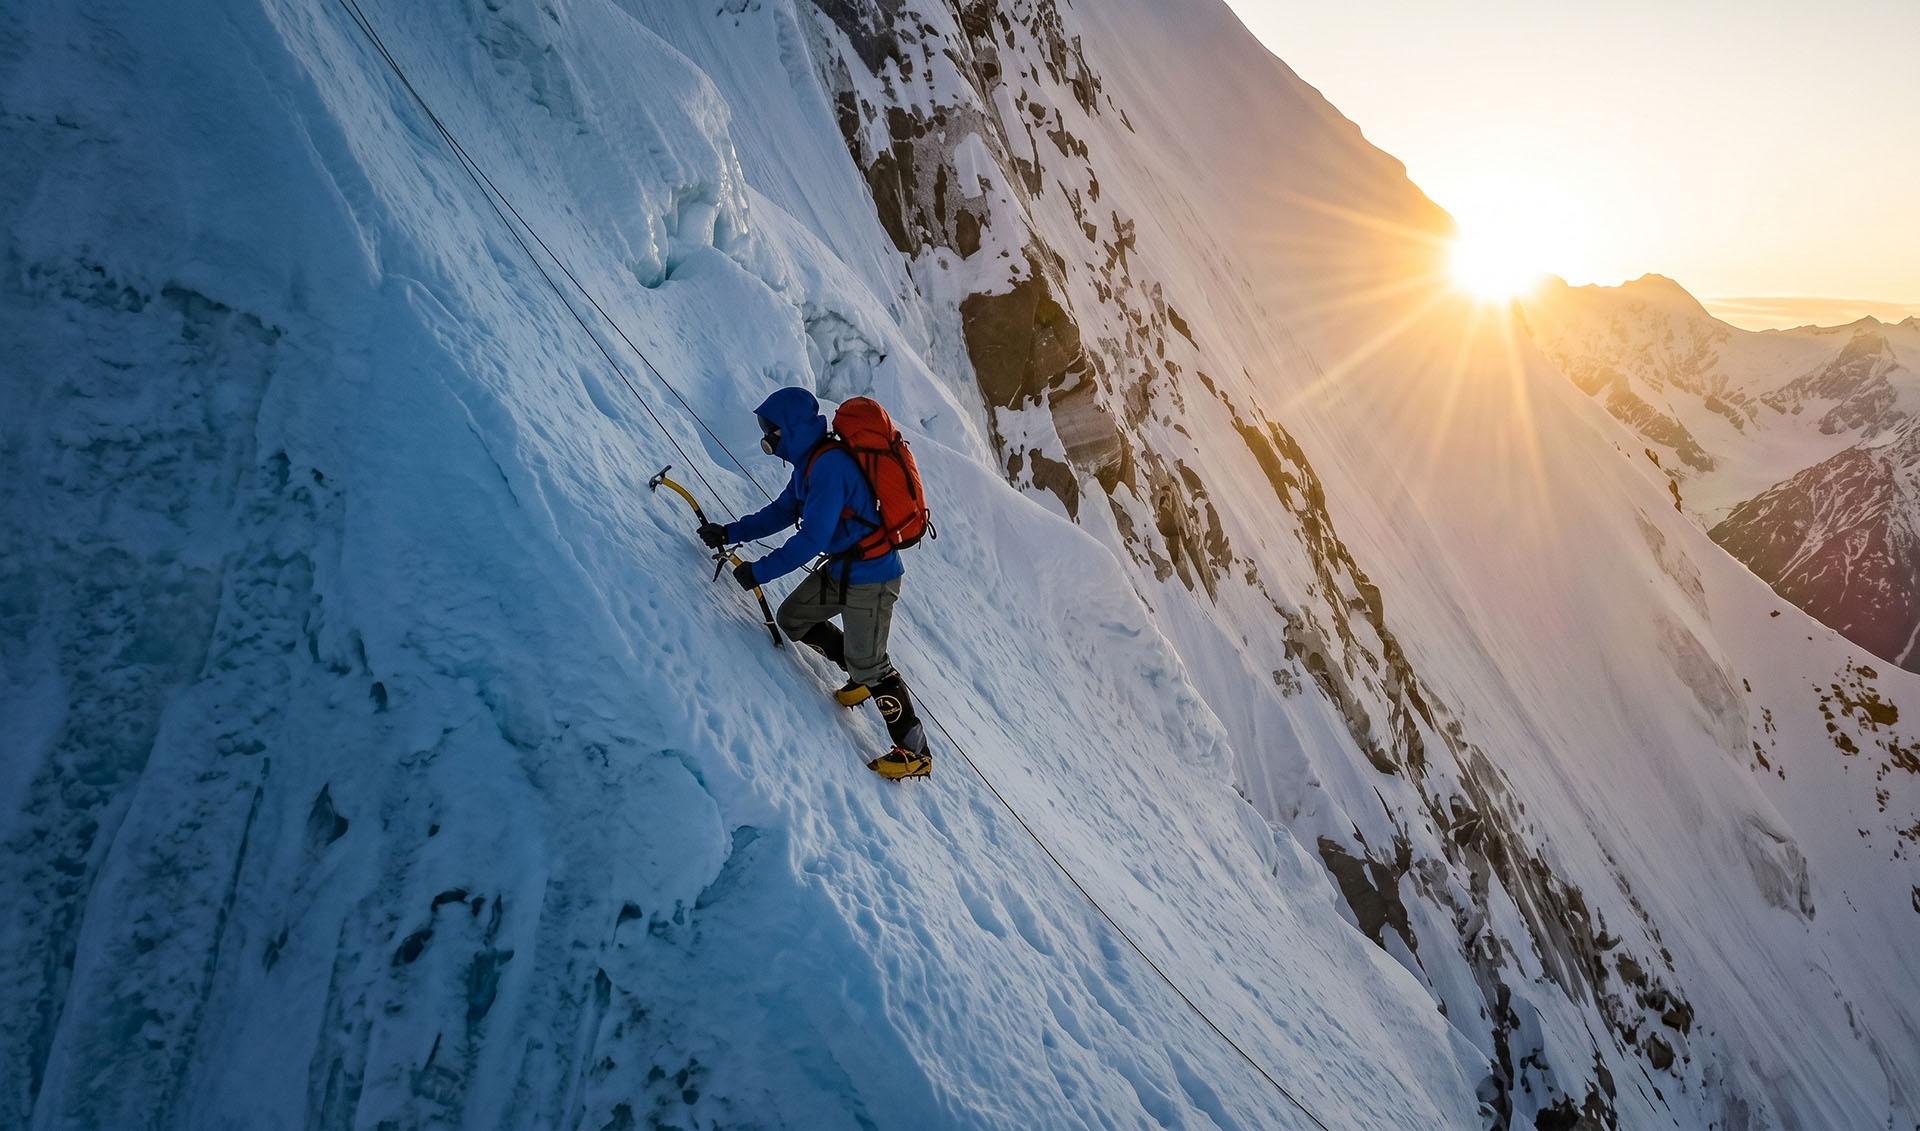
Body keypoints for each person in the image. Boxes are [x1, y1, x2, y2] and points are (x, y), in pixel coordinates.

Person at [699, 387, 932, 779]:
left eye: (770, 429)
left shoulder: (828, 467)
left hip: (873, 577)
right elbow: (780, 512)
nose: (767, 437)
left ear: (791, 428)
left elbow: (812, 540)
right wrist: (729, 532)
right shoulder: (809, 465)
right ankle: (856, 671)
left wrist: (759, 572)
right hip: (844, 567)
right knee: (793, 619)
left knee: (872, 663)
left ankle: (915, 752)